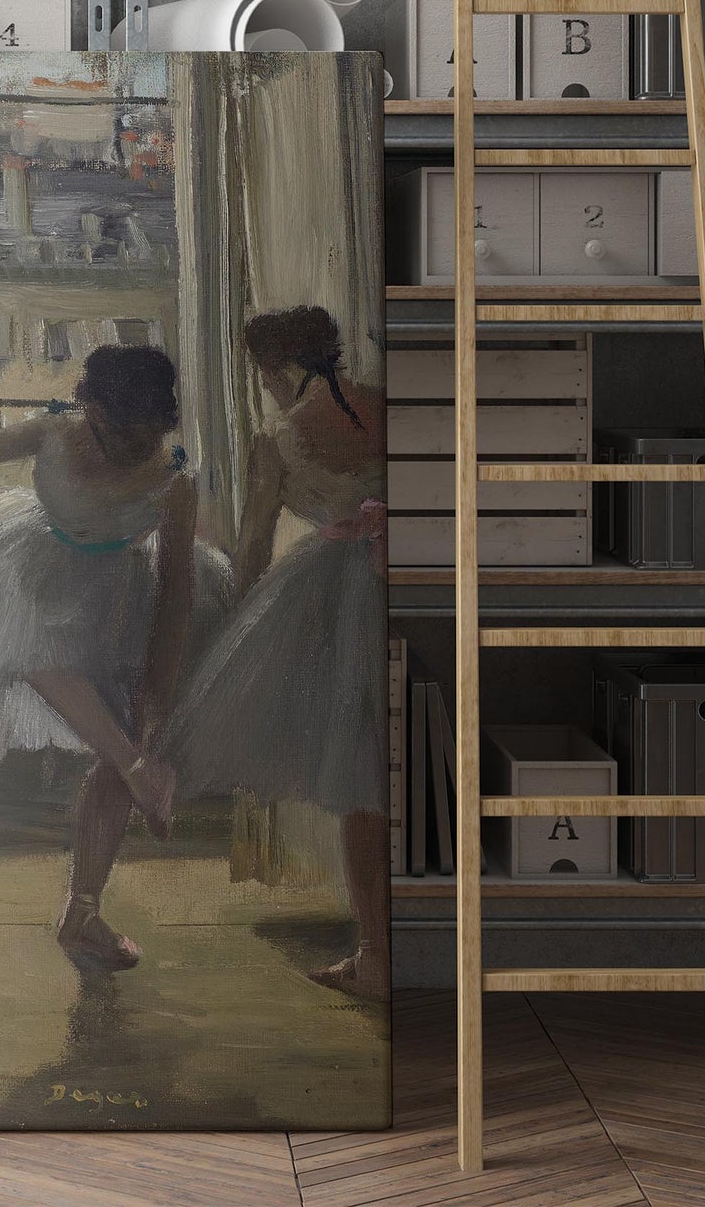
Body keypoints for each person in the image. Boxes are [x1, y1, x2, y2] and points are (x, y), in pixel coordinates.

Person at [0, 345, 229, 971]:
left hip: (115, 601)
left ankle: (83, 910)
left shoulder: (174, 482)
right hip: (32, 570)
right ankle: (137, 767)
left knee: (122, 741)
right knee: (30, 645)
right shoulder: (56, 431)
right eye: (120, 434)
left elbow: (173, 600)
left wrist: (154, 706)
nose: (136, 449)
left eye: (149, 436)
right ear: (91, 410)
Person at [159, 306, 391, 1002]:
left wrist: (232, 626)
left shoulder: (278, 439)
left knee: (361, 783)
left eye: (261, 375)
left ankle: (376, 954)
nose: (263, 388)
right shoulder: (390, 403)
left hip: (338, 598)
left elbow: (255, 546)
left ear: (276, 369)